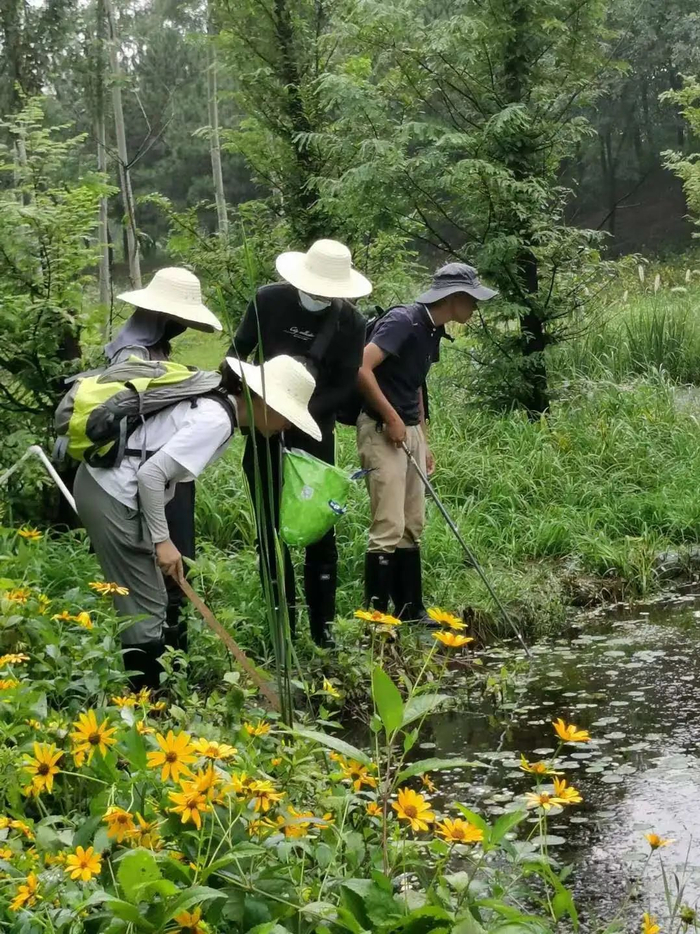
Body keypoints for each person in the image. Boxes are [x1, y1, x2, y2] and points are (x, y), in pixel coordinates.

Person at [74, 354, 321, 690]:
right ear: (264, 402)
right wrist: (162, 540)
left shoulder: (219, 407)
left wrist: (156, 535)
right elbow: (150, 475)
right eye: (288, 415)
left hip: (107, 489)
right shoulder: (216, 421)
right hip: (111, 495)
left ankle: (150, 702)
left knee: (151, 604)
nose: (287, 426)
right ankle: (146, 707)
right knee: (145, 613)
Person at [230, 239, 372, 647]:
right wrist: (251, 410)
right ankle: (283, 630)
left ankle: (323, 631)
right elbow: (236, 354)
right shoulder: (268, 302)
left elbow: (345, 384)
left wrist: (301, 416)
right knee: (269, 528)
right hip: (262, 429)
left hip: (314, 434)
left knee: (318, 528)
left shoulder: (351, 322)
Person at [357, 262, 498, 620]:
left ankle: (410, 609)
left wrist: (423, 437)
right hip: (380, 428)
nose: (476, 307)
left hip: (410, 430)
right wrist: (390, 418)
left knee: (412, 522)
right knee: (388, 524)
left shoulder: (433, 330)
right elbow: (362, 368)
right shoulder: (404, 321)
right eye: (472, 300)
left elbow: (417, 383)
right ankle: (376, 617)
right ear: (454, 298)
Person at [106, 267, 222, 653]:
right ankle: (161, 658)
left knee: (179, 559)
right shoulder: (130, 353)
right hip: (144, 470)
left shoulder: (156, 348)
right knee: (162, 560)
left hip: (166, 466)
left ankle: (177, 653)